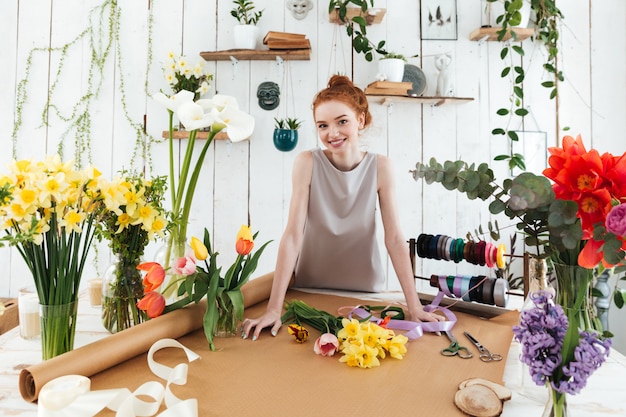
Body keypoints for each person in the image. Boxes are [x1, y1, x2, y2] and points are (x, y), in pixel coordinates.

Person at [242, 75, 442, 341]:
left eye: (342, 121)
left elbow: (394, 238)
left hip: (365, 293)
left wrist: (414, 306)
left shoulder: (381, 167)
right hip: (309, 289)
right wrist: (273, 309)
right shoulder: (306, 163)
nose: (332, 133)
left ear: (360, 120)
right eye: (322, 125)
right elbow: (292, 235)